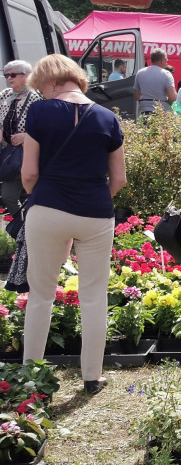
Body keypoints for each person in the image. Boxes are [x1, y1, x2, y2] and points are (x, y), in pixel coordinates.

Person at [20, 54, 126, 395]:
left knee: (41, 295)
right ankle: (92, 377)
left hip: (48, 206)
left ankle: (31, 375)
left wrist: (41, 200)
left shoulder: (38, 112)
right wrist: (93, 200)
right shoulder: (108, 117)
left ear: (51, 82)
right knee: (94, 295)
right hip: (95, 212)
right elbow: (119, 179)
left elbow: (29, 173)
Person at [1, 61, 42, 213]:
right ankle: (20, 228)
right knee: (8, 196)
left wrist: (26, 136)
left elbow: (45, 127)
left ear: (27, 76)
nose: (9, 78)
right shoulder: (5, 94)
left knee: (28, 195)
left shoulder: (35, 98)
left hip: (27, 154)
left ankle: (27, 228)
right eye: (7, 75)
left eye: (13, 75)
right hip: (7, 155)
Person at [133, 48, 176, 115]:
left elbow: (137, 96)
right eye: (166, 60)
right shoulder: (166, 74)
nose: (167, 62)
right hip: (161, 112)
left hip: (144, 111)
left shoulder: (140, 73)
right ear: (162, 60)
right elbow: (172, 97)